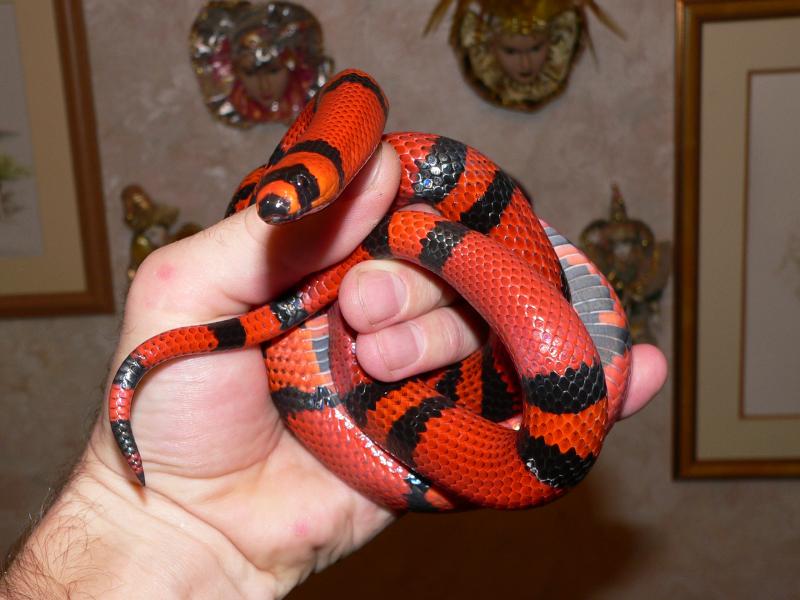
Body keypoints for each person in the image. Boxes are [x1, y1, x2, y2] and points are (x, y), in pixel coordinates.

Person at [0, 144, 667, 598]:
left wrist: (151, 527)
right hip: (415, 397)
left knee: (389, 310)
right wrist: (158, 523)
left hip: (465, 398)